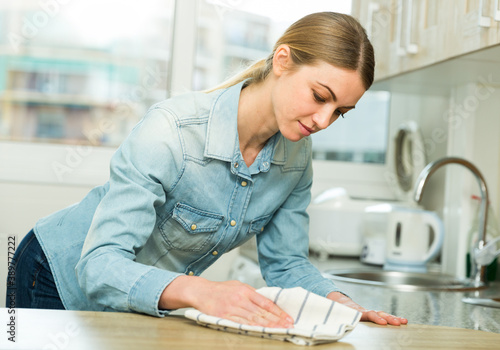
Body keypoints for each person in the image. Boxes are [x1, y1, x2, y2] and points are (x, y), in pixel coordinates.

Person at [7, 12, 407, 328]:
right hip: (54, 276)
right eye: (320, 96)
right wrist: (201, 292)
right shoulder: (172, 132)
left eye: (340, 112)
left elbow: (286, 264)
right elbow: (98, 265)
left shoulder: (297, 159)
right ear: (282, 60)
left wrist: (341, 305)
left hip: (137, 300)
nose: (323, 120)